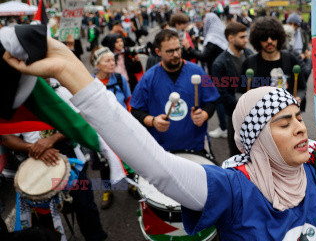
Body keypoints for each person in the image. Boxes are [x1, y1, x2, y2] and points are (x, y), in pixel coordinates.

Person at [3, 0, 316, 240]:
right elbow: (156, 166)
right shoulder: (233, 188)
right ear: (256, 139)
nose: (300, 129)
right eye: (283, 122)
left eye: (298, 119)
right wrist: (76, 76)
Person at [1, 79, 107, 241]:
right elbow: (6, 137)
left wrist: (51, 139)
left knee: (85, 207)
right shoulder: (17, 101)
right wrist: (32, 148)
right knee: (44, 220)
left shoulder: (61, 92)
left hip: (68, 157)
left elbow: (81, 120)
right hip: (34, 161)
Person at [130, 29, 220, 153]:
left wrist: (204, 115)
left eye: (178, 49)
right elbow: (136, 111)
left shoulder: (197, 71)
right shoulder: (148, 78)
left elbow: (211, 101)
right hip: (162, 150)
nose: (176, 54)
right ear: (158, 52)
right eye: (170, 51)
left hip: (195, 146)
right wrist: (153, 121)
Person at [91, 47, 131, 208]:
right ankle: (107, 190)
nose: (112, 63)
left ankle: (132, 185)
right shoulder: (90, 83)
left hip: (121, 127)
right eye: (107, 61)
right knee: (104, 163)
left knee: (129, 157)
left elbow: (129, 101)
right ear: (97, 65)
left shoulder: (120, 79)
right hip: (100, 130)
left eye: (113, 60)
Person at [240, 16, 307, 110]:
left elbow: (301, 88)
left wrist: (298, 98)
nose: (269, 41)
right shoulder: (249, 63)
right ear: (257, 39)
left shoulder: (290, 59)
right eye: (264, 38)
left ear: (279, 37)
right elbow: (240, 92)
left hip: (286, 115)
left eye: (273, 36)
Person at [182, 13, 229, 138]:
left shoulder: (212, 37)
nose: (203, 23)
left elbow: (203, 56)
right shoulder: (219, 33)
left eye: (205, 20)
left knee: (217, 99)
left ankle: (224, 127)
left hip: (216, 73)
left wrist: (189, 48)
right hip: (223, 71)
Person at [211, 22, 253, 155]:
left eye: (246, 36)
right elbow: (221, 92)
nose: (246, 40)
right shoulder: (220, 63)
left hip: (255, 113)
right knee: (237, 153)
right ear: (230, 38)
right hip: (235, 115)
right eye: (242, 37)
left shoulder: (249, 54)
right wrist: (242, 107)